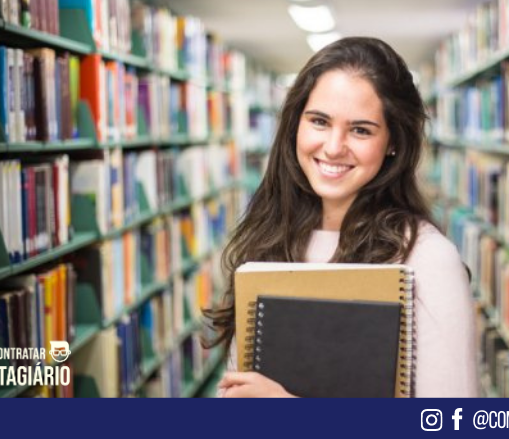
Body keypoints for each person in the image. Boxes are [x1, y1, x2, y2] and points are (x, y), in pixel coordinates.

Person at [204, 37, 478, 397]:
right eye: (319, 121)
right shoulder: (270, 237)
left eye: (361, 130)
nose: (333, 147)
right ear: (295, 125)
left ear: (393, 142)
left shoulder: (427, 258)